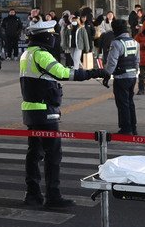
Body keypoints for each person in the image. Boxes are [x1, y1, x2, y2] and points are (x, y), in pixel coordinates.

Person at [19, 19, 109, 207]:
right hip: (45, 111)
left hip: (31, 111)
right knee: (53, 154)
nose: (53, 38)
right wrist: (95, 73)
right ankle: (53, 196)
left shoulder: (27, 54)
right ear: (44, 36)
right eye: (51, 35)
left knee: (34, 153)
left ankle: (33, 194)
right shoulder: (42, 55)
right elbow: (64, 73)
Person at [102, 20, 139, 135]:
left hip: (121, 77)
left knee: (122, 103)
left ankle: (126, 129)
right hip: (132, 76)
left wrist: (107, 74)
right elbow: (137, 60)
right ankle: (133, 127)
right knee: (130, 102)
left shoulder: (116, 43)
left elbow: (112, 62)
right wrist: (135, 72)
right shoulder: (134, 42)